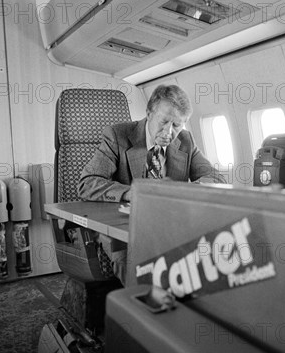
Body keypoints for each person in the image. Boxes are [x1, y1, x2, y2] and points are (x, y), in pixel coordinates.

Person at [77, 84, 227, 285]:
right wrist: (133, 193)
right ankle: (145, 313)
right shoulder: (117, 136)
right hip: (122, 231)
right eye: (164, 121)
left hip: (169, 226)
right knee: (137, 269)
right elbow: (87, 183)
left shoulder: (186, 141)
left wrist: (179, 191)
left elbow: (216, 178)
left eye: (176, 125)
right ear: (149, 113)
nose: (168, 132)